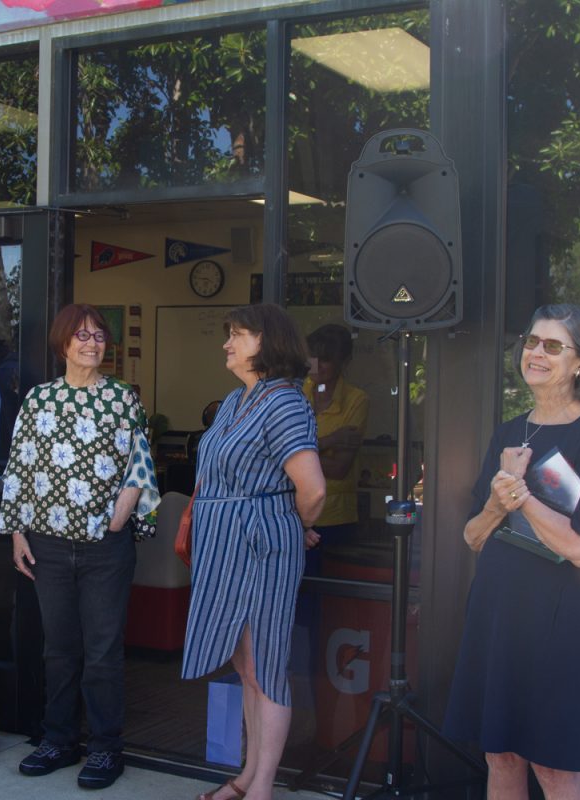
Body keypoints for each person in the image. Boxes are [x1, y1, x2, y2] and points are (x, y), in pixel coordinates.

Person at [442, 304, 580, 799]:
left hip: (558, 622)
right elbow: (473, 536)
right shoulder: (509, 431)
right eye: (531, 342)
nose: (536, 353)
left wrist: (521, 496)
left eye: (552, 346)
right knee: (500, 754)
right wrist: (499, 504)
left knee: (554, 766)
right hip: (499, 613)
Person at [0, 303, 160, 791]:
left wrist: (120, 516)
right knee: (60, 649)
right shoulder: (40, 399)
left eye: (99, 337)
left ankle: (107, 749)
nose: (93, 344)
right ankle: (59, 740)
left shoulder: (122, 399)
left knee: (104, 651)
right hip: (47, 543)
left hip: (103, 549)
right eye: (82, 336)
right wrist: (18, 533)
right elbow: (19, 467)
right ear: (63, 343)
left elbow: (140, 462)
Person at [183, 303, 327, 800]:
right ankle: (246, 774)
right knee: (246, 666)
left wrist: (293, 524)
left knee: (266, 666)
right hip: (225, 546)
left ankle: (262, 786)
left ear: (269, 343)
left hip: (260, 548)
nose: (227, 343)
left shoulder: (284, 403)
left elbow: (312, 489)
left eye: (238, 335)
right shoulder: (233, 401)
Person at [303, 324, 369, 548]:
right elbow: (277, 454)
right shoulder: (295, 392)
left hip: (335, 516)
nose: (318, 366)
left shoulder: (356, 399)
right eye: (314, 357)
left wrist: (297, 455)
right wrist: (329, 441)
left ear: (343, 361)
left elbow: (339, 469)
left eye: (326, 359)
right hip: (294, 511)